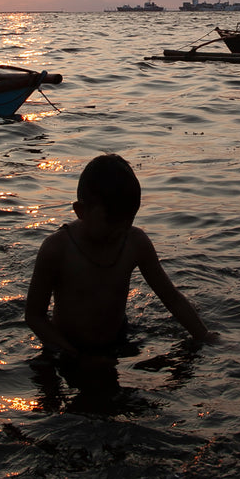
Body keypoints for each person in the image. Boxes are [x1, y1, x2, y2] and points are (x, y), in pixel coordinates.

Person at [24, 154, 215, 368]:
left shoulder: (135, 243)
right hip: (66, 347)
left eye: (127, 223)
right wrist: (75, 356)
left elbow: (171, 297)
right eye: (111, 224)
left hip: (118, 340)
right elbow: (34, 316)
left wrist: (204, 336)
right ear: (81, 211)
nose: (120, 232)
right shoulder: (57, 249)